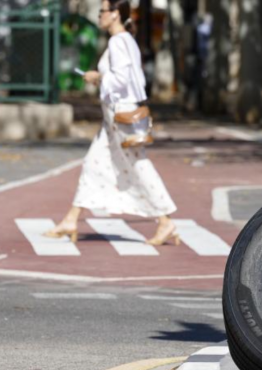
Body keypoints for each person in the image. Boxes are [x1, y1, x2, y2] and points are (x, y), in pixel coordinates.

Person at [44, 0, 179, 246]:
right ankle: (71, 218)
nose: (99, 16)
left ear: (115, 14)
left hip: (121, 116)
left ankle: (165, 220)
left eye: (103, 11)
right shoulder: (125, 40)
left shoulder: (119, 41)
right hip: (114, 117)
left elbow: (122, 79)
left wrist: (98, 77)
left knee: (138, 165)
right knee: (94, 163)